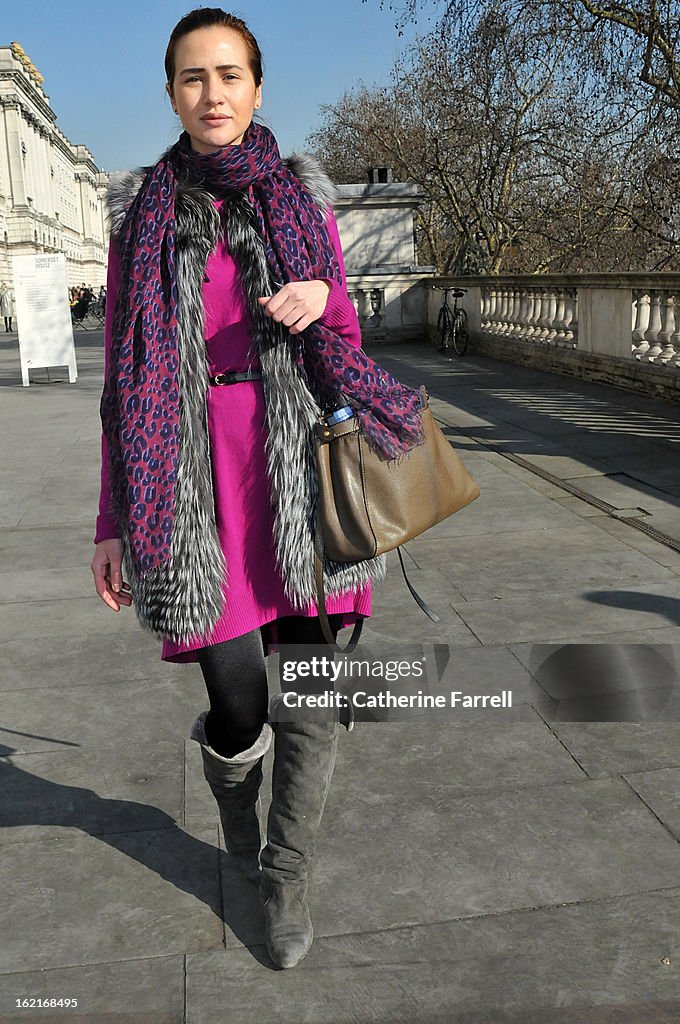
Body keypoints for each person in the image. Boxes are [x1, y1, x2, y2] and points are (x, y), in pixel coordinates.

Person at [90, 6, 422, 969]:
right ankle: (238, 811)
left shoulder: (300, 198)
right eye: (194, 77)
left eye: (230, 75)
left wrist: (328, 299)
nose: (214, 94)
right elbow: (123, 377)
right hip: (190, 478)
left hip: (297, 469)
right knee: (238, 698)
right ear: (171, 93)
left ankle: (286, 873)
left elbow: (345, 352)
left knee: (312, 689)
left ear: (258, 87)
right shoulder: (140, 215)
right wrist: (112, 520)